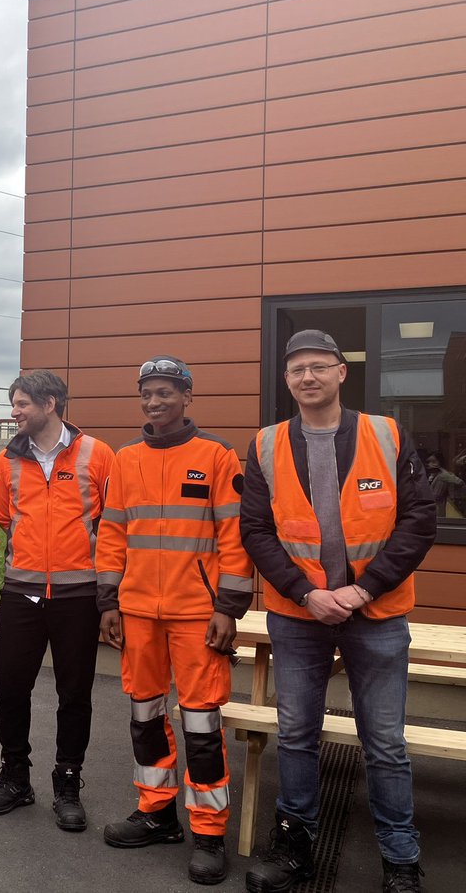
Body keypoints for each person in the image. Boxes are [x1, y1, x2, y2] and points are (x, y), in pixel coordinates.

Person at [241, 330, 436, 893]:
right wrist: (307, 594)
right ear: (287, 379)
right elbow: (255, 530)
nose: (308, 377)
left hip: (376, 614)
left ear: (341, 372)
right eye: (297, 369)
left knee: (385, 742)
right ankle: (295, 845)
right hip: (298, 614)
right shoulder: (266, 444)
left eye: (319, 366)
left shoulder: (387, 433)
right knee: (297, 732)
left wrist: (362, 589)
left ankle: (400, 859)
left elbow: (419, 520)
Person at [96, 356, 253, 886]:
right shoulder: (125, 460)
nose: (154, 401)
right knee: (144, 714)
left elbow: (234, 538)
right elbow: (112, 535)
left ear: (188, 397)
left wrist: (228, 609)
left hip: (197, 615)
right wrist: (108, 601)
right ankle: (156, 812)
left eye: (165, 392)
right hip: (138, 612)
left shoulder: (216, 456)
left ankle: (209, 832)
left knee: (202, 720)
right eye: (147, 393)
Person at [0, 370, 113, 829]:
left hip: (79, 597)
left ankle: (68, 782)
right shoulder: (5, 461)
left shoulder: (98, 455)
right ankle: (15, 778)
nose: (14, 412)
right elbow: (4, 519)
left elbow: (113, 526)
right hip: (20, 594)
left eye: (21, 404)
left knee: (74, 694)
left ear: (50, 403)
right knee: (11, 689)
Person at [423, 452, 462, 518]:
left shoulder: (443, 476)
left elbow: (459, 482)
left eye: (433, 462)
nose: (430, 464)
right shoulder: (433, 475)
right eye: (428, 462)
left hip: (438, 509)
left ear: (440, 462)